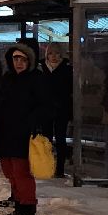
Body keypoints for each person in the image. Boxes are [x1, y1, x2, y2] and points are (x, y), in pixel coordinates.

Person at [0, 42, 49, 215]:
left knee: (22, 172)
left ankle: (27, 210)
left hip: (23, 134)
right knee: (9, 170)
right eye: (16, 58)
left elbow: (46, 106)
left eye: (23, 59)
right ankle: (17, 200)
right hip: (5, 132)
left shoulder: (37, 79)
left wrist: (32, 121)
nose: (19, 62)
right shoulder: (7, 78)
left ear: (29, 60)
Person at [41, 45, 74, 178]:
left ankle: (59, 169)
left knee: (60, 139)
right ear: (47, 55)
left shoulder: (67, 68)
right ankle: (47, 167)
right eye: (51, 53)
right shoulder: (41, 68)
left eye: (57, 53)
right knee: (46, 139)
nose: (54, 56)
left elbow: (71, 89)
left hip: (61, 109)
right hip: (45, 109)